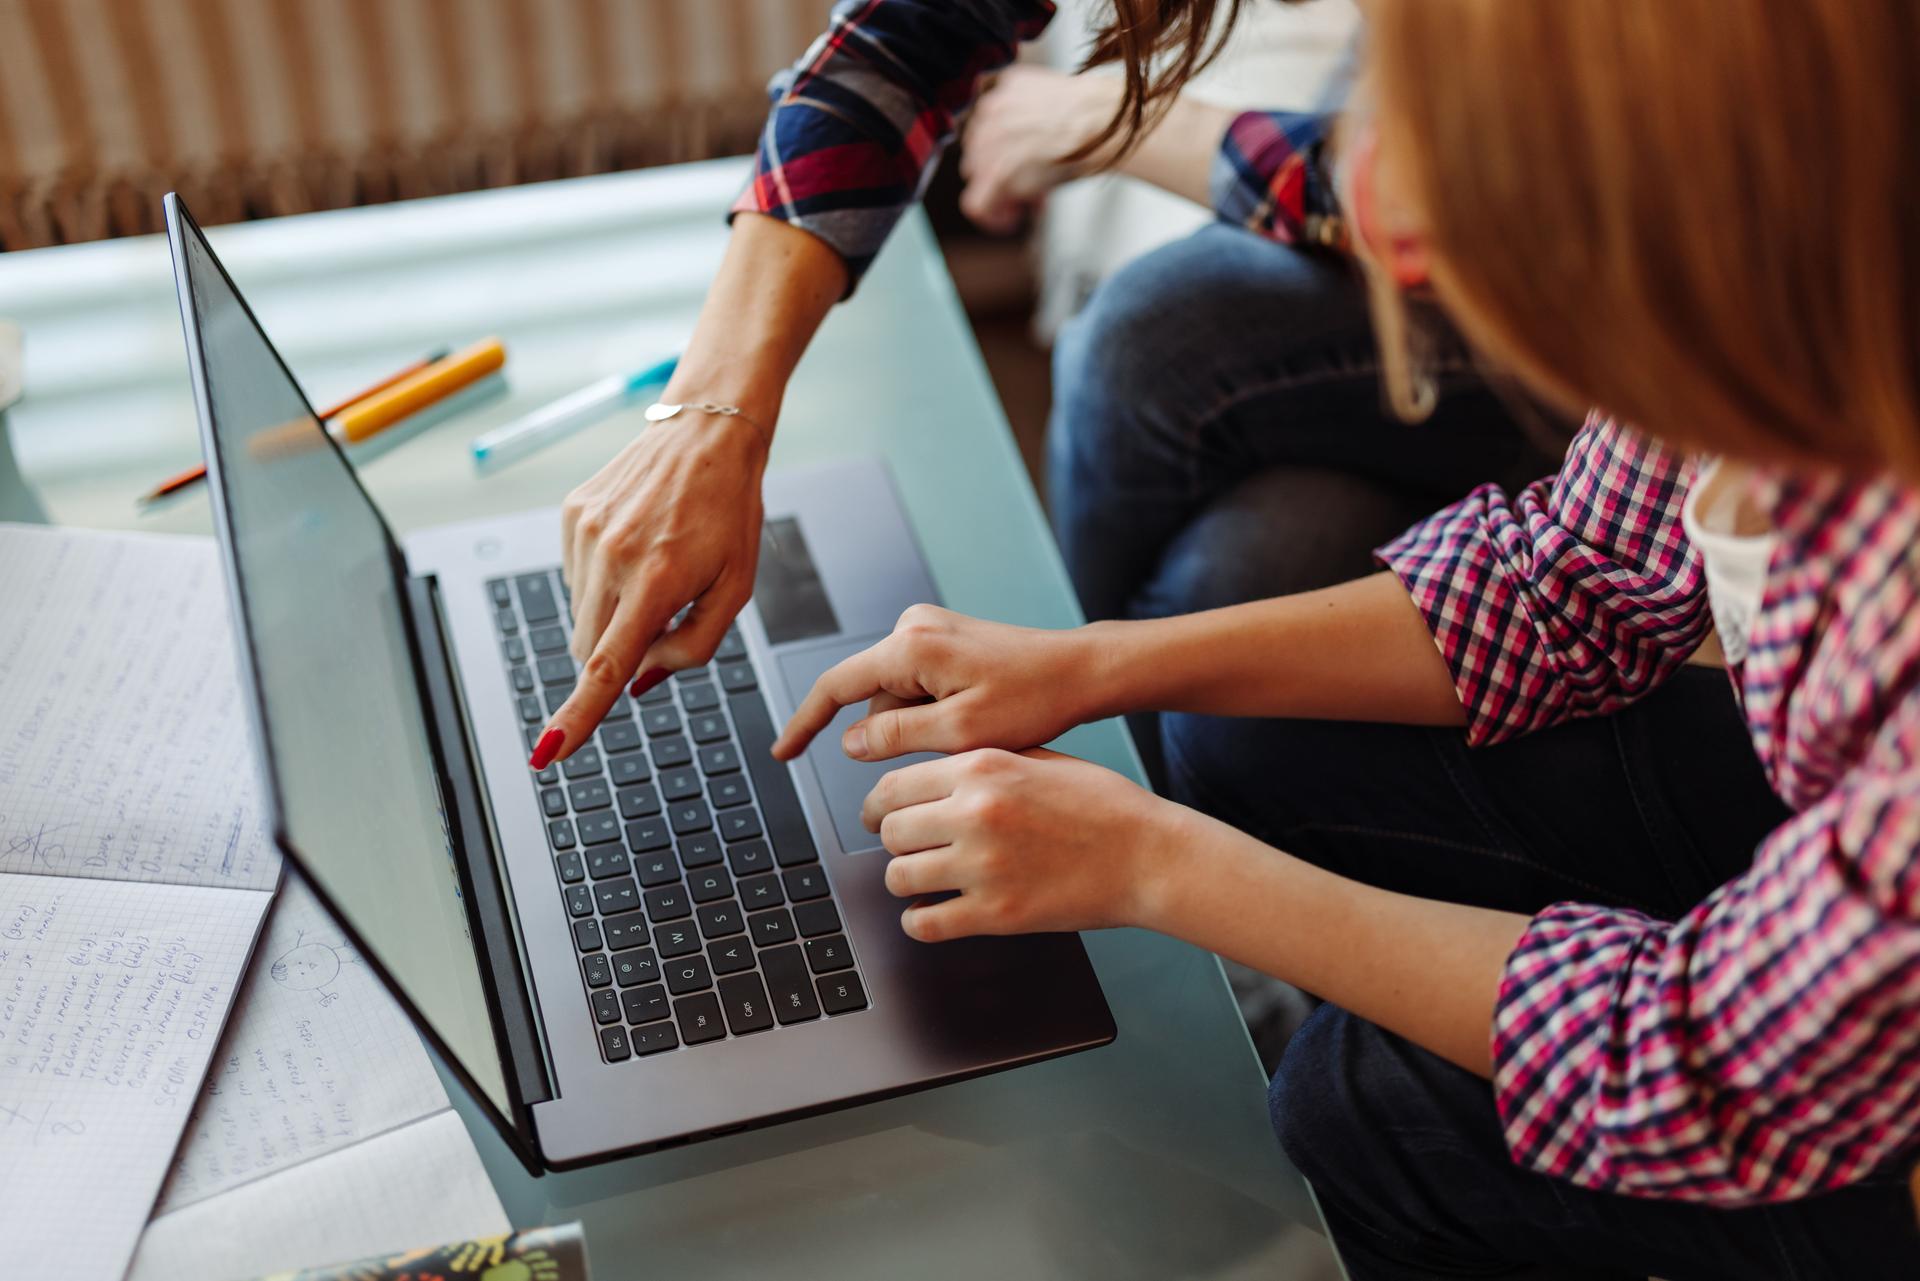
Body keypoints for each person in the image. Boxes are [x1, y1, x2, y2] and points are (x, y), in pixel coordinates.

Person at [767, 1, 1920, 1277]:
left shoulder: (1892, 573)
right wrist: (1090, 663)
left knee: (1368, 1103)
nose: (1384, 218)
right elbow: (1572, 579)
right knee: (1249, 729)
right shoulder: (1776, 258)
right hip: (1834, 928)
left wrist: (1160, 865)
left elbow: (1705, 1057)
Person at [529, 0, 1554, 777]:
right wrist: (714, 415)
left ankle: (1094, 788)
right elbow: (908, 33)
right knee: (1261, 553)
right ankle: (1118, 818)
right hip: (1466, 175)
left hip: (1581, 240)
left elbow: (1436, 187)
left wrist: (1105, 115)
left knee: (1159, 332)